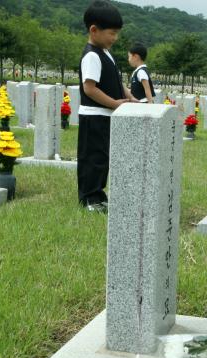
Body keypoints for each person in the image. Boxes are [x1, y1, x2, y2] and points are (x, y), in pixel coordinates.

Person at [77, 0, 136, 213]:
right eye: (112, 33)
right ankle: (89, 198)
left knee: (102, 157)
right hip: (93, 116)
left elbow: (117, 82)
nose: (115, 38)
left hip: (106, 114)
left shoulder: (106, 54)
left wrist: (130, 98)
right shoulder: (92, 55)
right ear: (94, 30)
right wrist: (115, 104)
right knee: (92, 158)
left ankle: (99, 195)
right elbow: (90, 89)